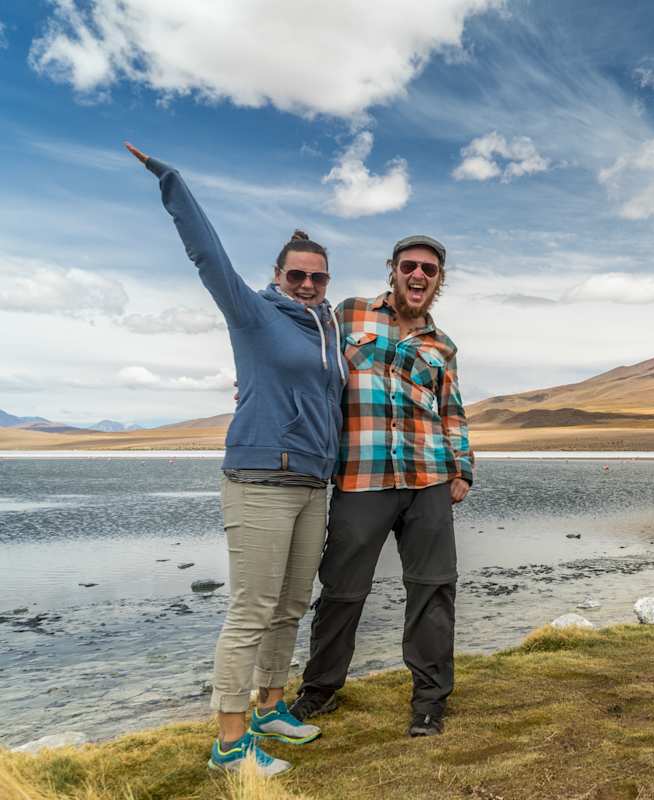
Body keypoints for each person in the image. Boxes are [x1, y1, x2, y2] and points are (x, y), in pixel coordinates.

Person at [126, 143, 346, 776]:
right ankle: (229, 743)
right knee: (251, 608)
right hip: (260, 478)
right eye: (296, 275)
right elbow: (207, 254)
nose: (306, 284)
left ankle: (272, 704)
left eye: (317, 276)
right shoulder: (252, 313)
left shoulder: (328, 332)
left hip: (312, 484)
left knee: (290, 605)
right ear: (277, 275)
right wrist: (171, 180)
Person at [289, 234, 473, 737]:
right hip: (361, 476)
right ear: (392, 269)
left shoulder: (442, 345)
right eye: (410, 266)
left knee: (433, 589)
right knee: (342, 590)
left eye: (429, 270)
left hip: (428, 477)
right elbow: (298, 349)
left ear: (439, 281)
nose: (419, 275)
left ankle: (430, 701)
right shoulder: (346, 315)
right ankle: (320, 690)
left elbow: (452, 412)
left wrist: (462, 469)